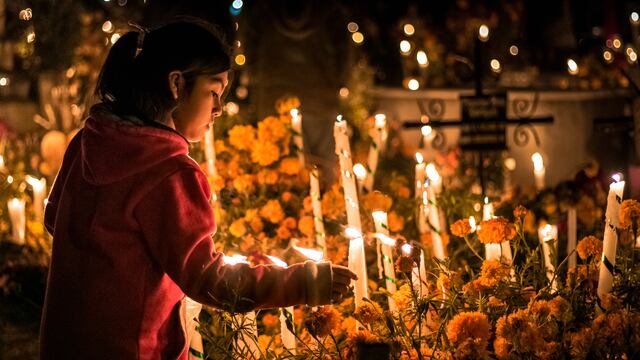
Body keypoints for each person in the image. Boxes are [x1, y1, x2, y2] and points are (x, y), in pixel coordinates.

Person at [39, 19, 356, 359]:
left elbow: (54, 219)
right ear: (176, 84)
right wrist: (301, 283)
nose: (218, 109)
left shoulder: (89, 140)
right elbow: (210, 280)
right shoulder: (168, 174)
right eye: (214, 92)